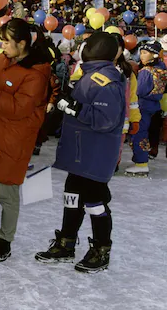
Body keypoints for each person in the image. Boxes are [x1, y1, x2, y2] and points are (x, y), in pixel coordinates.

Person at [35, 32, 125, 273]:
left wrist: (76, 108)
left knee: (95, 201)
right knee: (71, 196)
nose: (79, 48)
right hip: (80, 152)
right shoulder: (88, 76)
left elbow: (105, 120)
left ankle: (101, 248)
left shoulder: (107, 81)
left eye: (84, 45)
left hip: (94, 155)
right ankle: (66, 242)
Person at [0, 18, 53, 262]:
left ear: (22, 43)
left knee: (7, 193)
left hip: (13, 141)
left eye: (7, 42)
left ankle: (5, 239)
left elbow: (18, 108)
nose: (2, 46)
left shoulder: (36, 73)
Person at [125, 40, 167, 176]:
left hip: (142, 106)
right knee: (146, 133)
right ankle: (140, 159)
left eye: (144, 53)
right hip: (154, 106)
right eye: (141, 53)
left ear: (154, 55)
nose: (141, 56)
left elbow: (139, 90)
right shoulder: (161, 69)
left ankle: (141, 162)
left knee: (138, 134)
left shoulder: (146, 72)